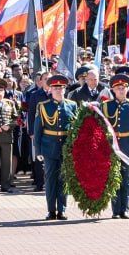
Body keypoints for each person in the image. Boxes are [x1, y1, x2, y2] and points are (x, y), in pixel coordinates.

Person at [33, 73, 77, 220]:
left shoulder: (72, 105)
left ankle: (62, 210)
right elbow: (38, 130)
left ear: (65, 89)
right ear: (50, 89)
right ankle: (51, 210)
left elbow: (76, 128)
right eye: (55, 88)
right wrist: (38, 149)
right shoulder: (43, 106)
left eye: (61, 88)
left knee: (63, 179)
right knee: (51, 179)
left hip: (65, 147)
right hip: (49, 147)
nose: (58, 90)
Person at [102, 74, 129, 218]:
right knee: (114, 177)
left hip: (128, 146)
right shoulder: (106, 106)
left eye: (123, 88)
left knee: (126, 178)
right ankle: (115, 209)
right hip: (112, 146)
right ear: (113, 90)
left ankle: (124, 209)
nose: (121, 90)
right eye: (118, 88)